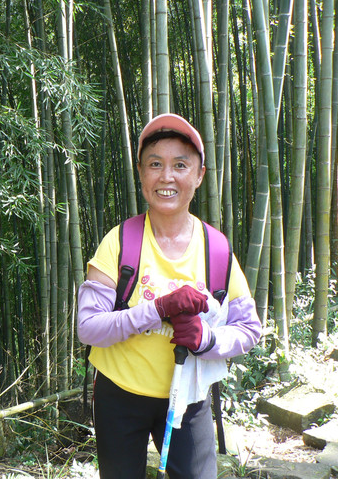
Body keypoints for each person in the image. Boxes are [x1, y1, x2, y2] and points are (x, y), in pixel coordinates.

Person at [77, 113, 262, 479]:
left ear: (199, 175)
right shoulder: (120, 242)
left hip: (188, 396)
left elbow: (249, 328)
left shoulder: (216, 249)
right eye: (155, 164)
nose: (166, 177)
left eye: (180, 165)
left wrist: (207, 339)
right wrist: (158, 308)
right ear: (141, 173)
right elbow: (89, 328)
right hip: (119, 395)